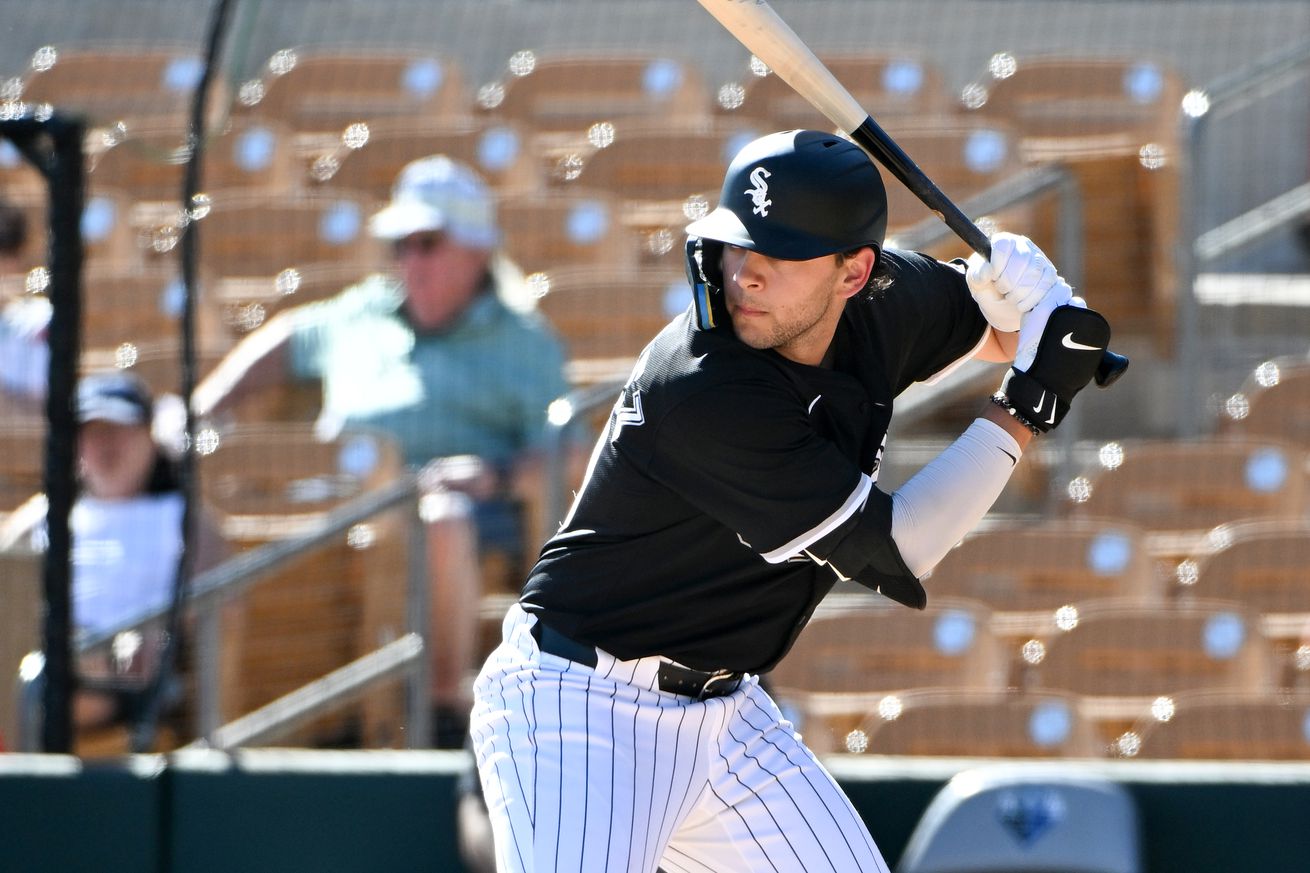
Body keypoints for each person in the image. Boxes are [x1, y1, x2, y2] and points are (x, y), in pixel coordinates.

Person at [469, 129, 1114, 871]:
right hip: (580, 708)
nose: (746, 272)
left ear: (853, 272)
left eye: (781, 251)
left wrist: (1024, 296)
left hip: (725, 710)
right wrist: (1029, 405)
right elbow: (902, 545)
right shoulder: (701, 386)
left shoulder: (886, 300)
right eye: (739, 244)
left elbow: (1005, 331)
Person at [191, 155, 576, 747]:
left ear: (476, 250)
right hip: (336, 509)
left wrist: (493, 475)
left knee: (440, 520)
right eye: (400, 245)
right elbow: (287, 338)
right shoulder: (362, 310)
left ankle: (441, 716)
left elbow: (567, 456)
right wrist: (203, 407)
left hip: (457, 515)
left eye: (428, 243)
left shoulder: (525, 341)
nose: (410, 261)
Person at [1, 370, 227, 744]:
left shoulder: (184, 516)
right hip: (35, 657)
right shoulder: (46, 516)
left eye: (119, 428)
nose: (105, 443)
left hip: (118, 675)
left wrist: (154, 636)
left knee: (51, 672)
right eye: (91, 430)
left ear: (149, 436)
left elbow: (221, 599)